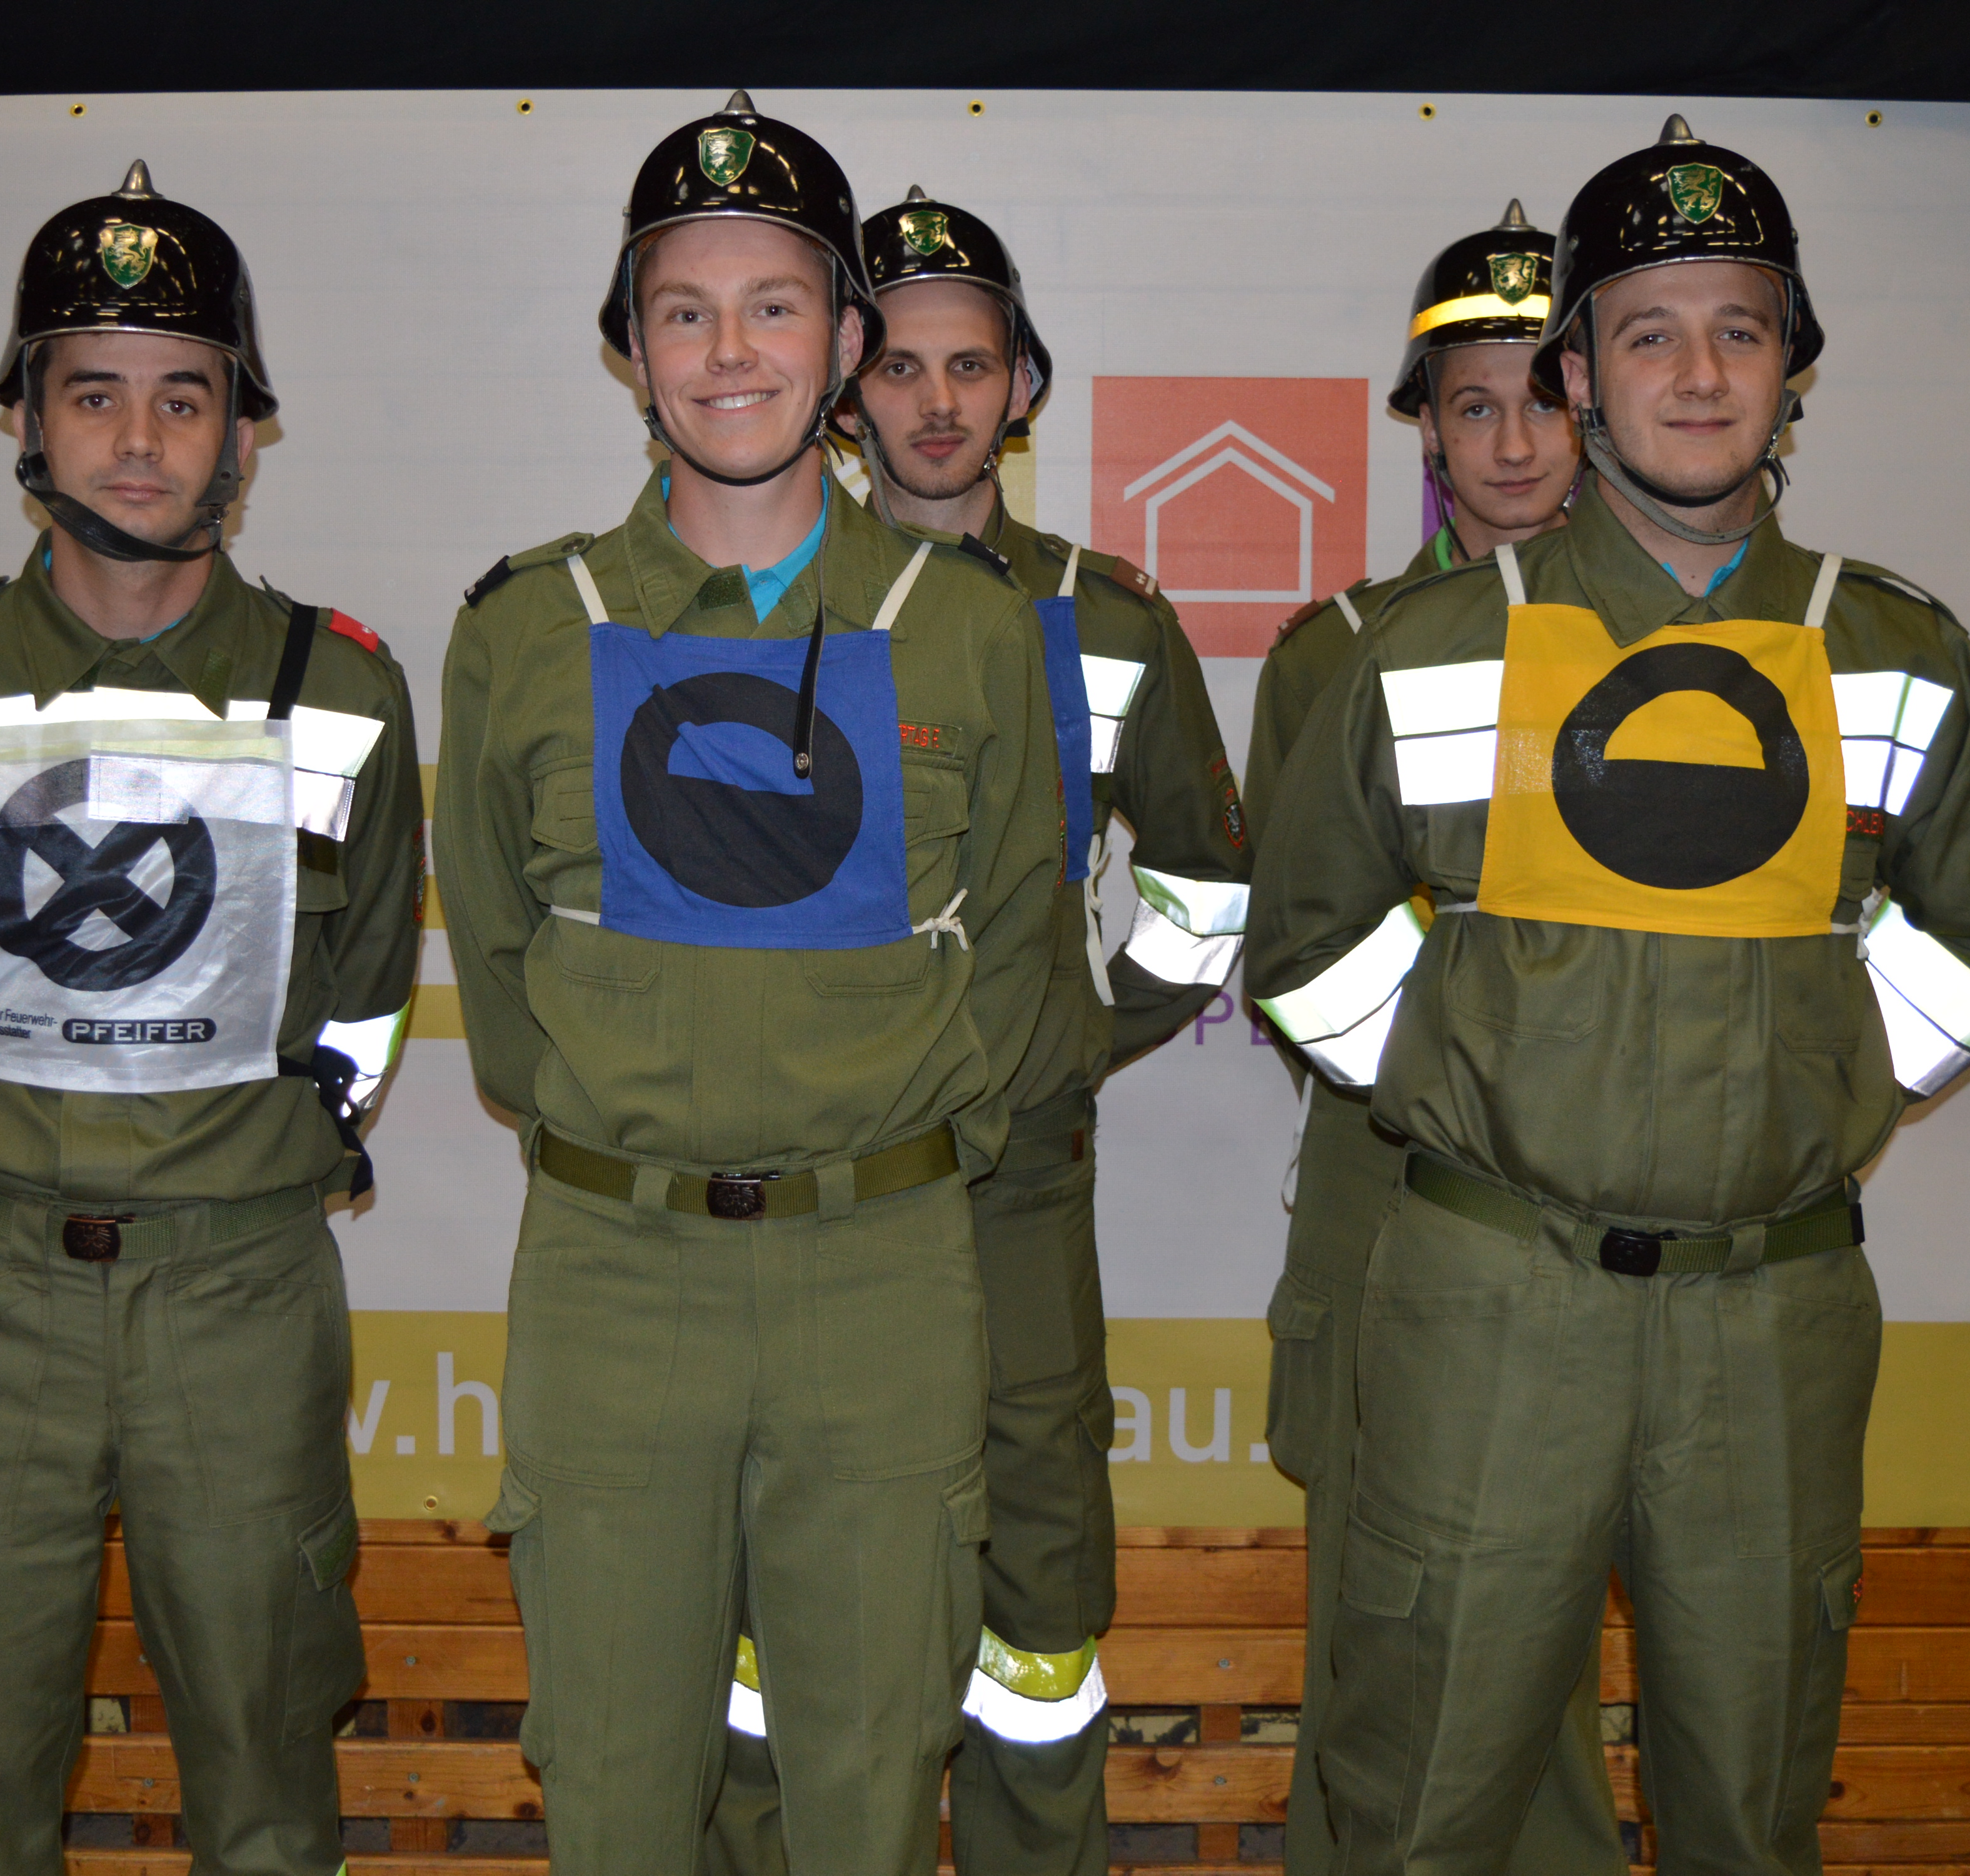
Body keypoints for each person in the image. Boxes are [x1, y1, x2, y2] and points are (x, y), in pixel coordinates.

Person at [1245, 117, 1970, 1875]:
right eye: (1650, 332)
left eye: (1740, 329)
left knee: (1751, 1813)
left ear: (1792, 365)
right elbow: (1303, 947)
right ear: (1580, 375)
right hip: (1491, 1304)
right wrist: (1474, 1085)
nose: (1698, 374)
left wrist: (1820, 1094)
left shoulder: (1893, 648)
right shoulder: (1428, 648)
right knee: (1421, 1811)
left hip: (1773, 1320)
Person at [432, 94, 1061, 1875]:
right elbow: (498, 958)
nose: (730, 353)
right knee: (617, 1782)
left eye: (775, 306)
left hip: (885, 1280)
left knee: (869, 1783)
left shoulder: (969, 627)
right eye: (685, 312)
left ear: (849, 343)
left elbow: (1021, 934)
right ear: (630, 352)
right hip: (614, 1279)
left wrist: (885, 1147)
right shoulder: (524, 629)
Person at [0, 160, 423, 1876]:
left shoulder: (340, 688)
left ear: (243, 431)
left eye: (185, 395)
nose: (141, 439)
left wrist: (231, 1167)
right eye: (94, 394)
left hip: (240, 1293)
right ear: (26, 419)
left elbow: (365, 1003)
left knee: (265, 1776)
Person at [709, 184, 1252, 1876]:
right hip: (812, 1183)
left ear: (1024, 386)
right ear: (845, 384)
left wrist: (1077, 1033)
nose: (938, 403)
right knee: (782, 1584)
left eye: (973, 366)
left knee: (1034, 1595)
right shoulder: (757, 609)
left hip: (1016, 1181)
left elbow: (1209, 887)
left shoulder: (1114, 620)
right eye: (901, 366)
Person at [1244, 201, 1622, 1876]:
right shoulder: (1334, 656)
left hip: (1615, 1211)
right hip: (1390, 1190)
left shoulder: (1692, 647)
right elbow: (1304, 950)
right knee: (1375, 1645)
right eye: (1475, 405)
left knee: (1550, 1659)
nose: (1515, 441)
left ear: (1599, 401)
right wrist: (1488, 1073)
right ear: (1426, 431)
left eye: (1543, 398)